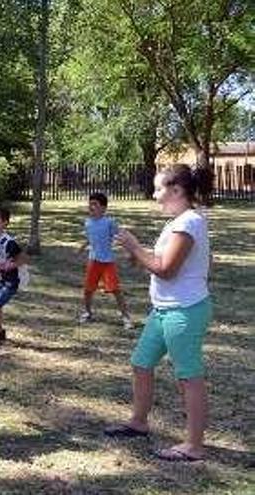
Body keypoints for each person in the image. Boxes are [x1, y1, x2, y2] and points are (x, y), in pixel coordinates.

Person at [105, 164, 213, 462]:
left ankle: (194, 445)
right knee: (141, 363)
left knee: (189, 377)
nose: (155, 195)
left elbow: (166, 269)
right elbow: (172, 261)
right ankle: (138, 423)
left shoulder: (187, 222)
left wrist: (135, 246)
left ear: (177, 190)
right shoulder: (182, 220)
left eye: (159, 189)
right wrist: (139, 255)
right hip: (164, 310)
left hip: (184, 312)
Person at [78, 192, 133, 329]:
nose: (91, 207)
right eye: (90, 204)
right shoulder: (88, 223)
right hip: (93, 261)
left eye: (95, 204)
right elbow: (90, 238)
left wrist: (130, 251)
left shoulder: (109, 222)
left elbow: (120, 236)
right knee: (88, 289)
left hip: (107, 262)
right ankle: (88, 312)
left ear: (103, 208)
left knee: (115, 290)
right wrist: (81, 247)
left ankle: (126, 317)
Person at [0, 207, 27, 344]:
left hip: (13, 281)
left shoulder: (9, 243)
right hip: (1, 280)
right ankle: (0, 332)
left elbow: (23, 259)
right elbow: (0, 261)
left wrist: (11, 266)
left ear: (5, 223)